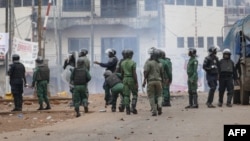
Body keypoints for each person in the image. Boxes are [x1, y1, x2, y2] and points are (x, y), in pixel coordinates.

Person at [143, 48, 164, 116]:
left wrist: (144, 80)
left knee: (151, 96)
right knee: (160, 95)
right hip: (159, 81)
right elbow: (162, 74)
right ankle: (159, 105)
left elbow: (146, 72)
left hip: (151, 81)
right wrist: (162, 81)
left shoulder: (149, 63)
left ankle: (154, 111)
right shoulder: (160, 64)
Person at [121, 49, 139, 115]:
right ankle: (133, 107)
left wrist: (122, 80)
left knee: (126, 95)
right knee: (134, 93)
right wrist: (136, 82)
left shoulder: (122, 63)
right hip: (131, 79)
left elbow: (122, 73)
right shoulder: (133, 62)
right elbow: (134, 73)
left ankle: (127, 110)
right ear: (131, 55)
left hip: (125, 79)